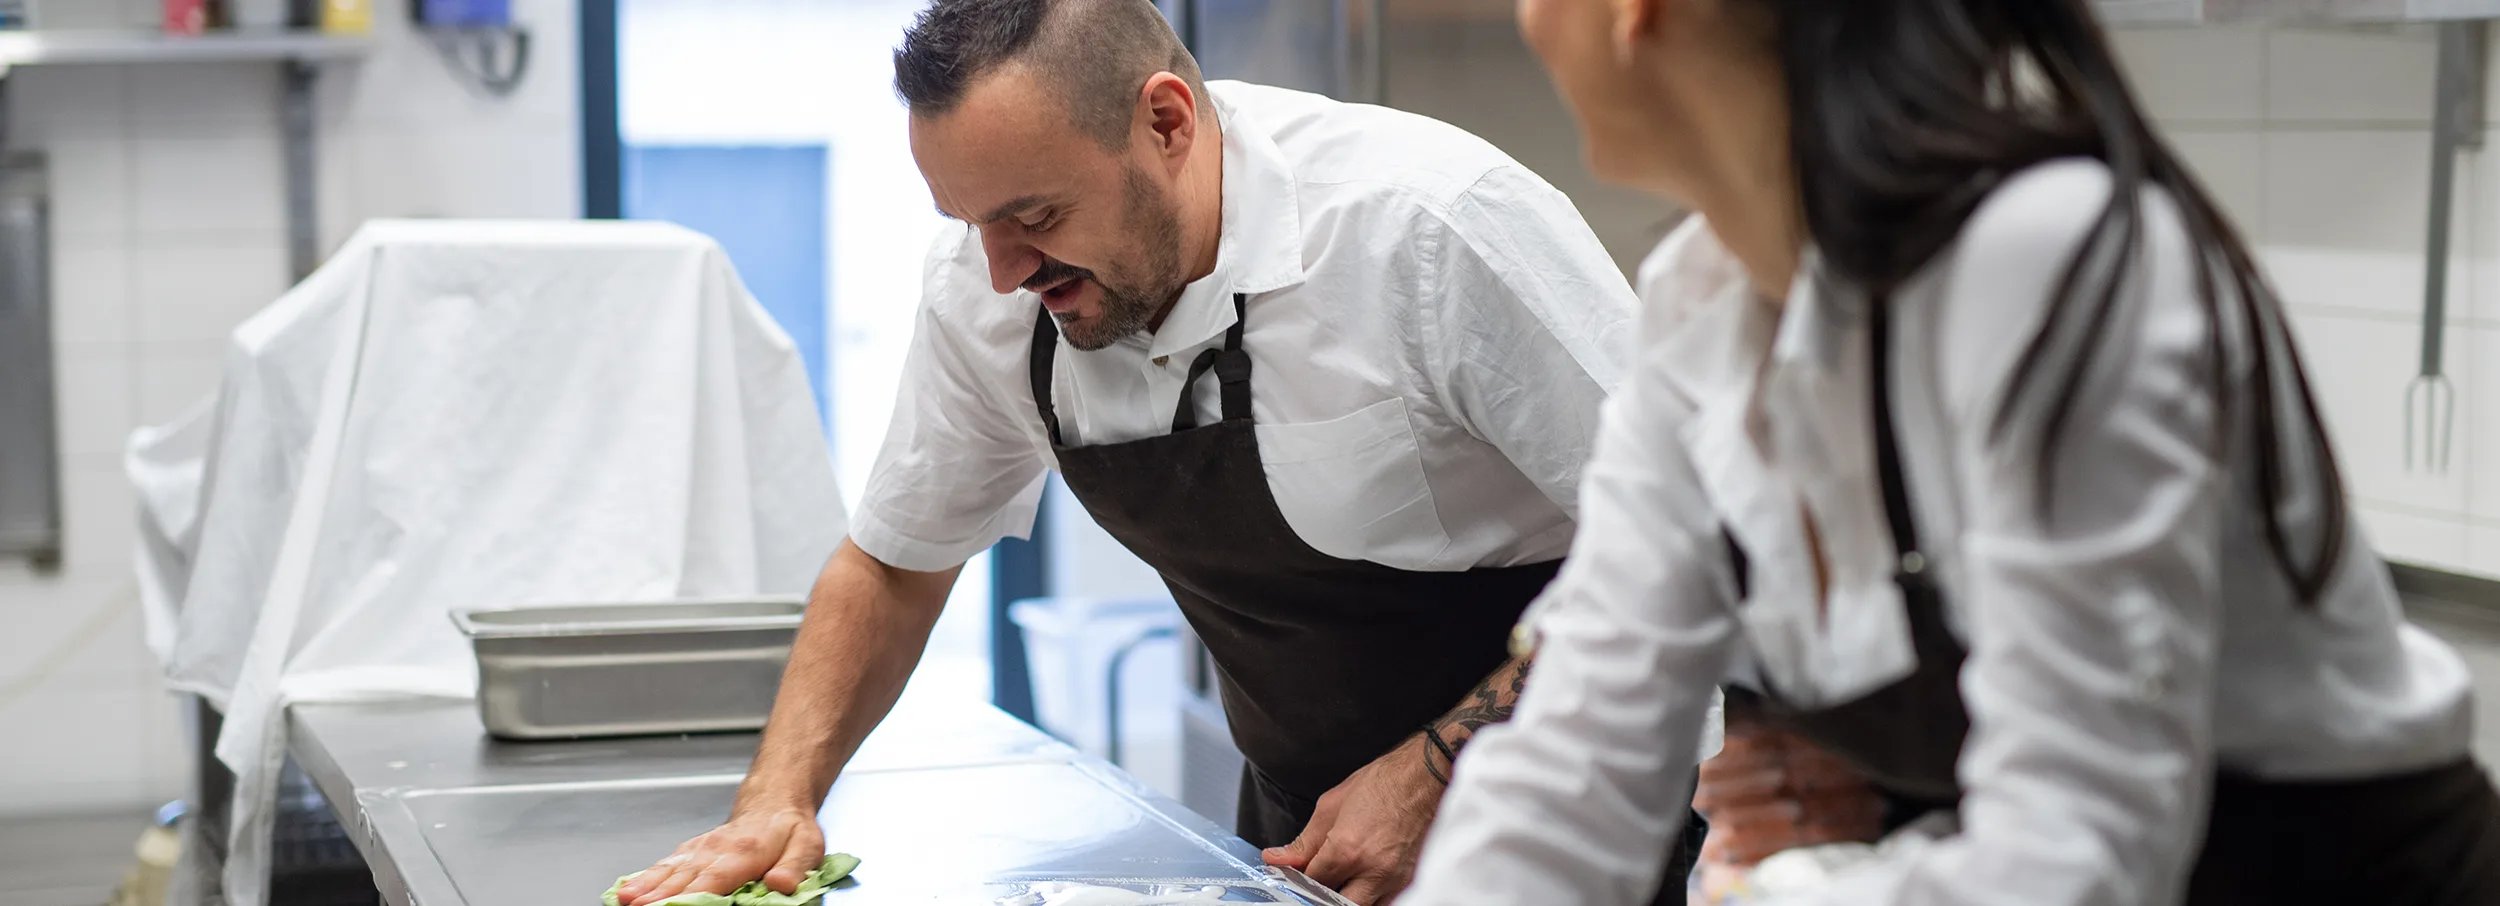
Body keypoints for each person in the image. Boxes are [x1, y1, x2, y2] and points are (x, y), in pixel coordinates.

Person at [1401, 1, 2500, 905]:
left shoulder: (2039, 259)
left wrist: (1790, 894)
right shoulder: (1701, 306)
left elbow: (2079, 856)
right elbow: (1574, 765)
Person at [610, 1, 1705, 904]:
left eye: (1033, 213)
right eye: (969, 222)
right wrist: (776, 800)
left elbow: (1691, 551)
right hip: (1309, 840)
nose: (1000, 270)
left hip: (1594, 819)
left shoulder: (1426, 229)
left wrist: (1432, 771)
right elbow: (894, 568)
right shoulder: (991, 290)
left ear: (1168, 124)